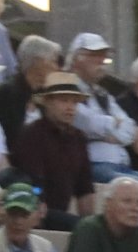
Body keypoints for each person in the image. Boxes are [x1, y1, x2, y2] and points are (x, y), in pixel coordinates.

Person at [10, 71, 96, 230]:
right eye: (64, 101)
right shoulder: (32, 134)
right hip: (33, 211)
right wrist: (38, 199)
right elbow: (32, 180)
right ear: (47, 102)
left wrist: (91, 225)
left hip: (59, 214)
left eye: (74, 102)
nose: (70, 108)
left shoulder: (79, 139)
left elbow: (84, 189)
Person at [67, 33, 138, 183]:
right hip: (92, 166)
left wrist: (103, 131)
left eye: (104, 56)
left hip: (121, 166)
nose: (102, 61)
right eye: (95, 55)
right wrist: (113, 124)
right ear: (77, 58)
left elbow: (129, 129)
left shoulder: (103, 94)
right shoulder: (66, 89)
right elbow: (86, 122)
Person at [0, 36, 61, 152]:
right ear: (38, 62)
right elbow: (9, 138)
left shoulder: (43, 95)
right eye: (53, 61)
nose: (56, 68)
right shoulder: (8, 93)